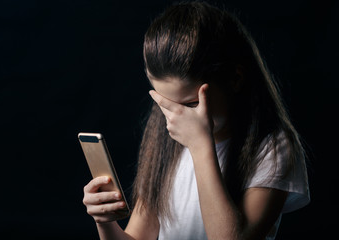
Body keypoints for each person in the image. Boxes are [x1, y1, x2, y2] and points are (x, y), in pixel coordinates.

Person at [82, 1, 310, 239]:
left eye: (191, 104)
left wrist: (200, 146)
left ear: (235, 79)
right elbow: (140, 235)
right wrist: (105, 221)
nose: (176, 118)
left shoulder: (273, 147)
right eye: (165, 104)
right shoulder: (165, 136)